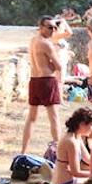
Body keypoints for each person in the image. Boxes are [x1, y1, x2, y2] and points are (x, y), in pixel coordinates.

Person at [20, 18, 63, 155]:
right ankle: (60, 152)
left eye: (55, 27)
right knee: (54, 117)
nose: (53, 30)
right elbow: (59, 66)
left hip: (34, 80)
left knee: (31, 118)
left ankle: (23, 151)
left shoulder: (33, 41)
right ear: (41, 27)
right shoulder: (46, 44)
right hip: (47, 81)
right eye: (49, 27)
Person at [51, 107, 92, 184]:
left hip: (72, 182)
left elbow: (88, 159)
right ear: (82, 124)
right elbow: (75, 172)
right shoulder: (70, 141)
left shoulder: (77, 137)